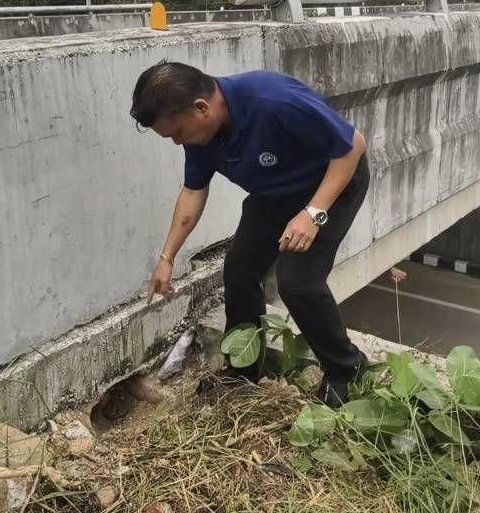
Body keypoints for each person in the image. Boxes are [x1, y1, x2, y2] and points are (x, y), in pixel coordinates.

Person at [132, 62, 369, 406]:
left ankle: (346, 371)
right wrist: (166, 258)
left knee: (297, 280)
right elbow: (193, 191)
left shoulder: (273, 99)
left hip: (333, 183)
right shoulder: (200, 134)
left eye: (177, 134)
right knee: (240, 271)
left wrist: (312, 214)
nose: (178, 142)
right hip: (275, 195)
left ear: (201, 108)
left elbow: (352, 146)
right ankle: (243, 372)